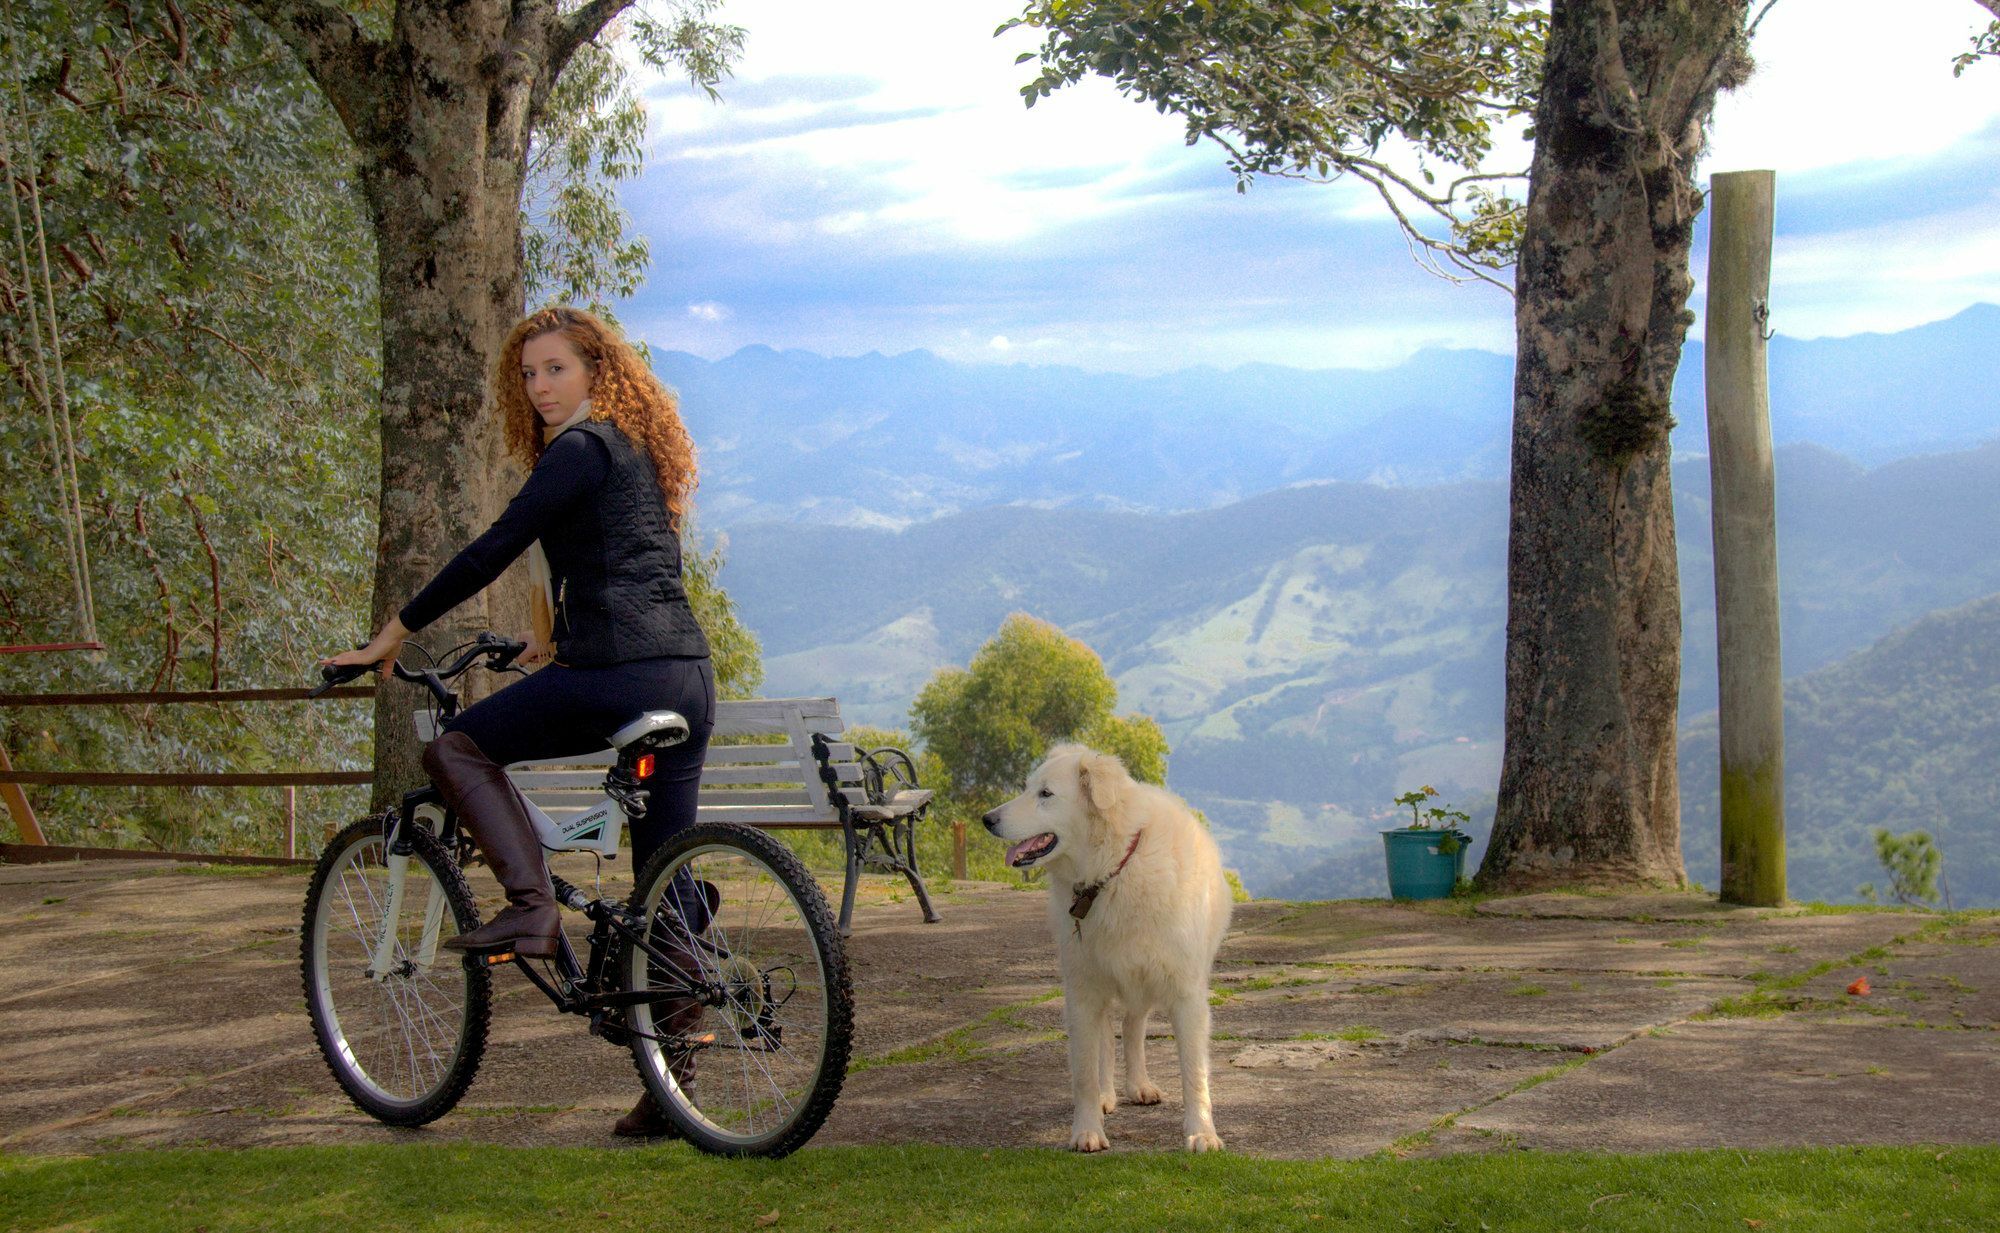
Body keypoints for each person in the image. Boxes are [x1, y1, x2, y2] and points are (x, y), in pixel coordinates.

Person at [322, 305, 711, 1137]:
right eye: (529, 373)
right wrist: (548, 637)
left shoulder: (579, 447)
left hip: (614, 676)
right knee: (663, 883)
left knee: (458, 747)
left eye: (556, 369)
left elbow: (490, 549)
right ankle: (673, 1088)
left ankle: (531, 905)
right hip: (687, 674)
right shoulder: (635, 449)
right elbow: (622, 560)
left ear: (597, 371)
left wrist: (390, 633)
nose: (539, 387)